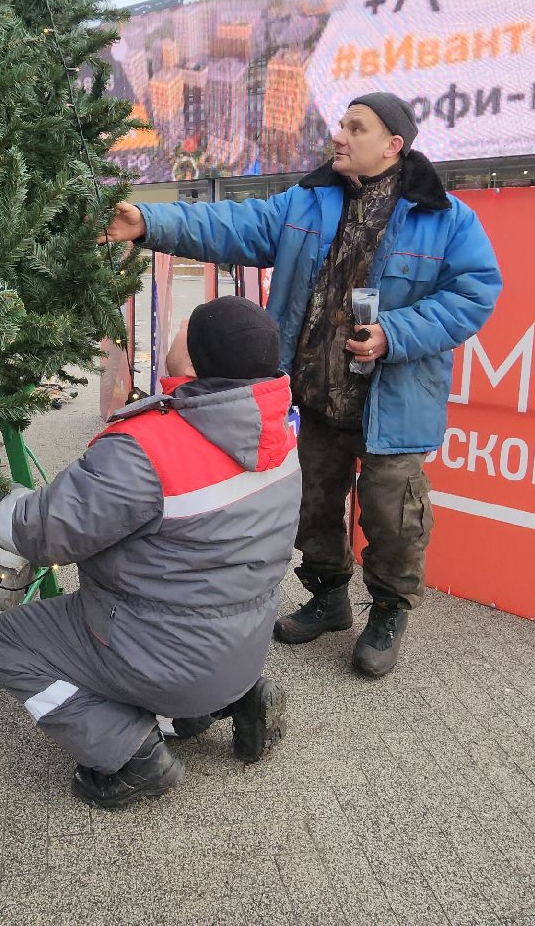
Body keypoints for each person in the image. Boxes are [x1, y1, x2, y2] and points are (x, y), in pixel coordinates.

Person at [101, 92, 501, 679]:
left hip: (392, 405)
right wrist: (149, 221)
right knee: (310, 504)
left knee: (393, 514)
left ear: (394, 145)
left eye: (355, 127)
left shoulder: (446, 219)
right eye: (341, 123)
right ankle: (328, 596)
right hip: (310, 394)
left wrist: (396, 333)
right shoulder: (307, 203)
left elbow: (475, 293)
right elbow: (230, 223)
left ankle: (388, 610)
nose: (338, 135)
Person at [0, 297, 301, 808]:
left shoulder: (147, 449)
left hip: (169, 661)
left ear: (194, 362)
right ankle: (242, 697)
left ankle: (134, 754)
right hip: (246, 646)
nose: (176, 328)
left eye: (185, 327)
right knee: (212, 592)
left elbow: (40, 531)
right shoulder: (278, 430)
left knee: (13, 641)